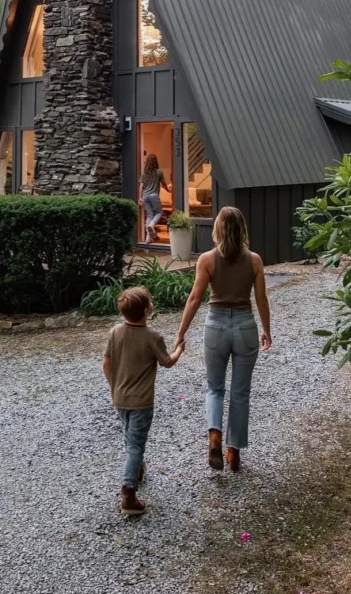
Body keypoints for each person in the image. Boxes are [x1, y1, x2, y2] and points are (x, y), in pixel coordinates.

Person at [174, 207, 272, 472]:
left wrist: (181, 332)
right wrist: (267, 330)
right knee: (240, 393)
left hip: (215, 326)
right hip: (244, 326)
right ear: (242, 230)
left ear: (217, 229)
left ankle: (215, 435)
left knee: (214, 388)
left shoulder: (206, 260)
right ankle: (233, 451)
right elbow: (261, 299)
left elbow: (195, 298)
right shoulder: (254, 261)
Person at [103, 286, 184, 515]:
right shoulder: (152, 337)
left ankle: (137, 469)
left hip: (119, 398)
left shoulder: (114, 332)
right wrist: (179, 350)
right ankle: (129, 493)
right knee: (136, 445)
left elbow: (106, 363)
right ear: (148, 310)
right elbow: (167, 362)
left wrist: (114, 388)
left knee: (130, 438)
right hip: (141, 402)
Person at [138, 153, 170, 243]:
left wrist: (140, 197)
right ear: (155, 162)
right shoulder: (159, 172)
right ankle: (152, 225)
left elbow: (141, 186)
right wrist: (168, 190)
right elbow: (163, 184)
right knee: (159, 212)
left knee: (149, 215)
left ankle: (148, 238)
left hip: (145, 196)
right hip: (154, 195)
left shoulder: (144, 173)